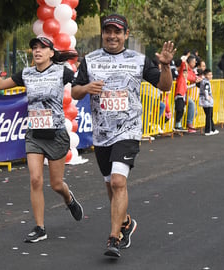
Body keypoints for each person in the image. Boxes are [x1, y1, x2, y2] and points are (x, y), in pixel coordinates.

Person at [71, 14, 175, 258]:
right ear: (103, 34)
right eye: (108, 31)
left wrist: (166, 65)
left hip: (128, 130)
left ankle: (114, 238)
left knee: (118, 182)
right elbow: (75, 91)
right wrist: (85, 88)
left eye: (117, 32)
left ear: (126, 35)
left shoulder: (138, 60)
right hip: (102, 133)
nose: (112, 36)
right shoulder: (90, 60)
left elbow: (164, 86)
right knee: (110, 183)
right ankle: (126, 222)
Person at [0, 36, 84, 243]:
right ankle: (40, 227)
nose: (37, 51)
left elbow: (81, 85)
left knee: (56, 184)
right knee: (35, 179)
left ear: (51, 53)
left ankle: (69, 198)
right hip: (34, 134)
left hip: (55, 134)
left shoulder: (61, 71)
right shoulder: (26, 73)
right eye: (34, 48)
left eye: (42, 48)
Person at [174, 55, 197, 133]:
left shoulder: (185, 80)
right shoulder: (181, 77)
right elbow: (183, 69)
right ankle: (178, 124)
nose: (186, 74)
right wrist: (184, 61)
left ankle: (178, 124)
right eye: (185, 73)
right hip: (179, 95)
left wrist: (195, 84)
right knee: (180, 109)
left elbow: (188, 87)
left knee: (181, 110)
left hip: (183, 96)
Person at [199, 69, 219, 136]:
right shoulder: (206, 82)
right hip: (207, 101)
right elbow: (206, 90)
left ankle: (213, 129)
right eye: (209, 75)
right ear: (205, 75)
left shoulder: (203, 81)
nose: (211, 76)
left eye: (211, 74)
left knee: (209, 115)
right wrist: (208, 98)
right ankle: (207, 130)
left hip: (203, 100)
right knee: (209, 115)